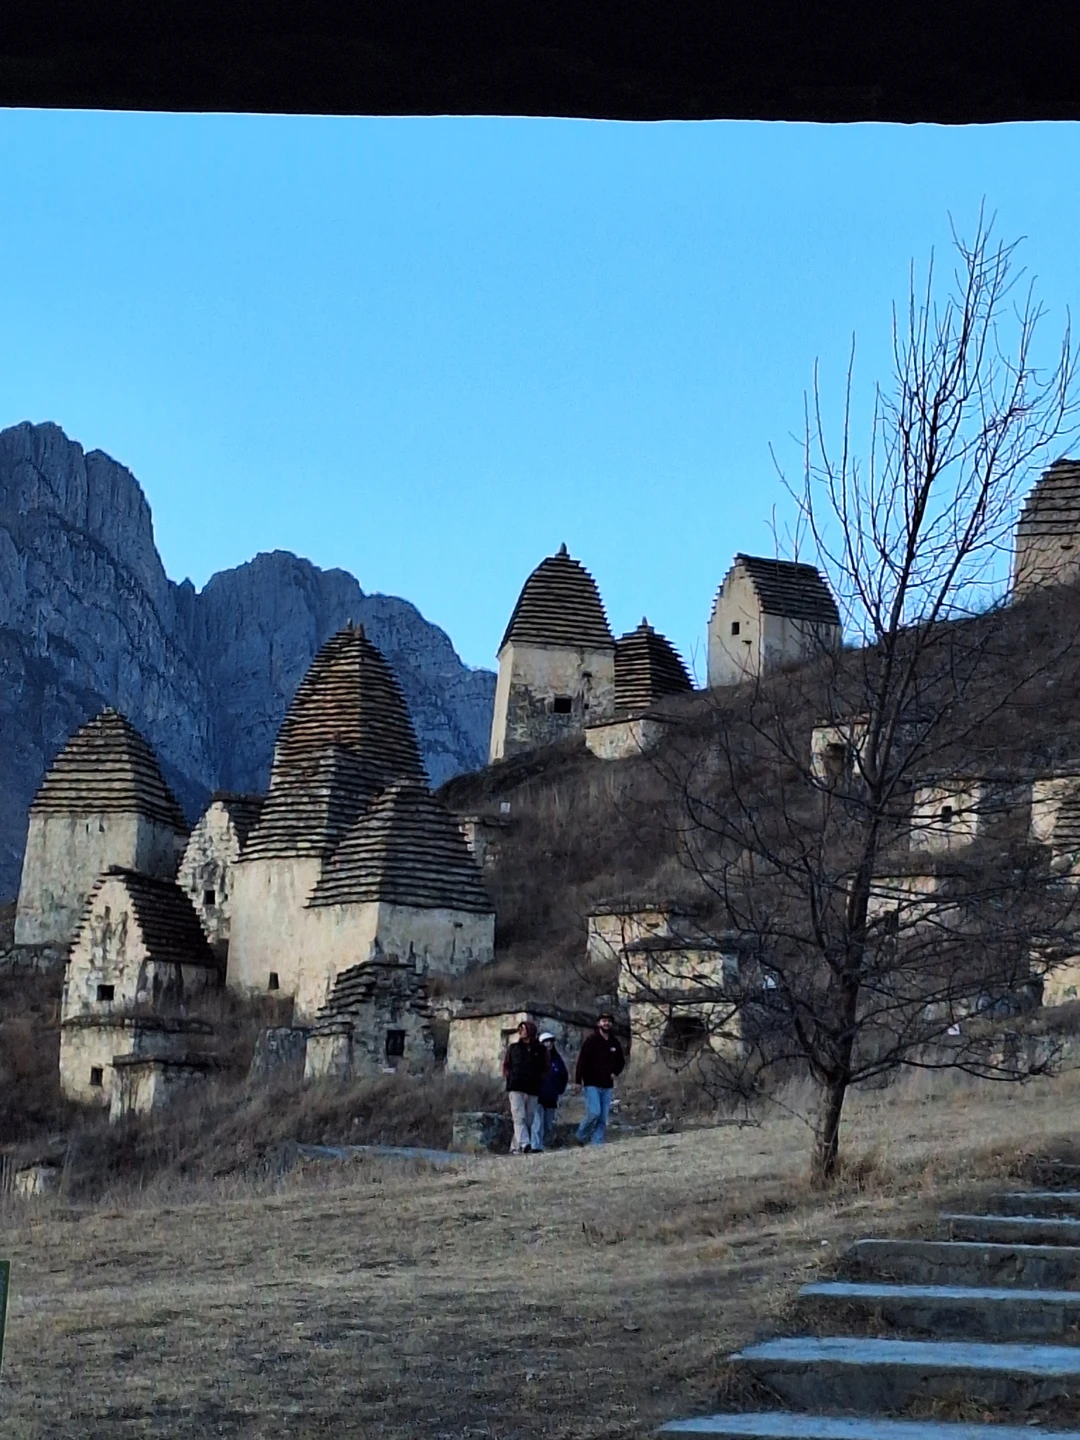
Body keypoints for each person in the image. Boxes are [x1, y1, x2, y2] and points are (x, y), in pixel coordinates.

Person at [574, 1012, 625, 1146]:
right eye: (603, 1021)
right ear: (598, 1024)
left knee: (603, 1118)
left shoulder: (614, 1042)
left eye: (608, 1021)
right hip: (591, 1083)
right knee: (594, 1113)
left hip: (607, 1085)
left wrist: (615, 1072)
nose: (606, 1023)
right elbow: (581, 1061)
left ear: (611, 1024)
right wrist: (578, 1081)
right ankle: (580, 1135)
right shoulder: (591, 1041)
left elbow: (621, 1061)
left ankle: (597, 1143)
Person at [502, 1019, 548, 1154]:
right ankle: (525, 1144)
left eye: (524, 1029)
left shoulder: (541, 1050)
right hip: (516, 1087)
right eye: (520, 1029)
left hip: (533, 1089)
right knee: (518, 1117)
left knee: (528, 1119)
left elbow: (545, 1068)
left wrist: (540, 1080)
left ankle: (515, 1147)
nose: (521, 1032)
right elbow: (506, 1065)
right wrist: (509, 1077)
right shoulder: (513, 1048)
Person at [531, 1032, 569, 1151]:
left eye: (550, 1041)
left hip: (552, 1097)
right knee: (537, 1124)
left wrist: (559, 1089)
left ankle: (546, 1145)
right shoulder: (536, 1057)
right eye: (545, 1042)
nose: (548, 1044)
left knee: (548, 1125)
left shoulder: (557, 1059)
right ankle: (536, 1146)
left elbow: (564, 1075)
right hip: (538, 1096)